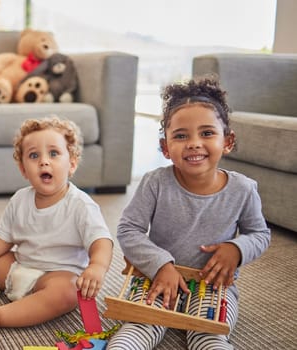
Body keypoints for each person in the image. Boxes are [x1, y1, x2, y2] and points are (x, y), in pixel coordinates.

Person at [107, 77, 271, 350]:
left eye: (207, 133)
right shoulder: (154, 182)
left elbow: (260, 233)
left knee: (210, 338)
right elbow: (128, 229)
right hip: (156, 279)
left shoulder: (243, 189)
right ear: (165, 148)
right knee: (134, 332)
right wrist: (160, 264)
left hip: (213, 285)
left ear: (227, 141)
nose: (194, 143)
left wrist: (237, 248)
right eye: (181, 136)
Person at [0, 115, 114, 327]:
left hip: (56, 275)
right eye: (34, 155)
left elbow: (101, 241)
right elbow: (1, 239)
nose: (44, 161)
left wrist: (97, 267)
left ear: (72, 164)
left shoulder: (81, 205)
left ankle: (0, 315)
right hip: (19, 266)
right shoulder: (20, 199)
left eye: (54, 153)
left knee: (69, 291)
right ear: (23, 169)